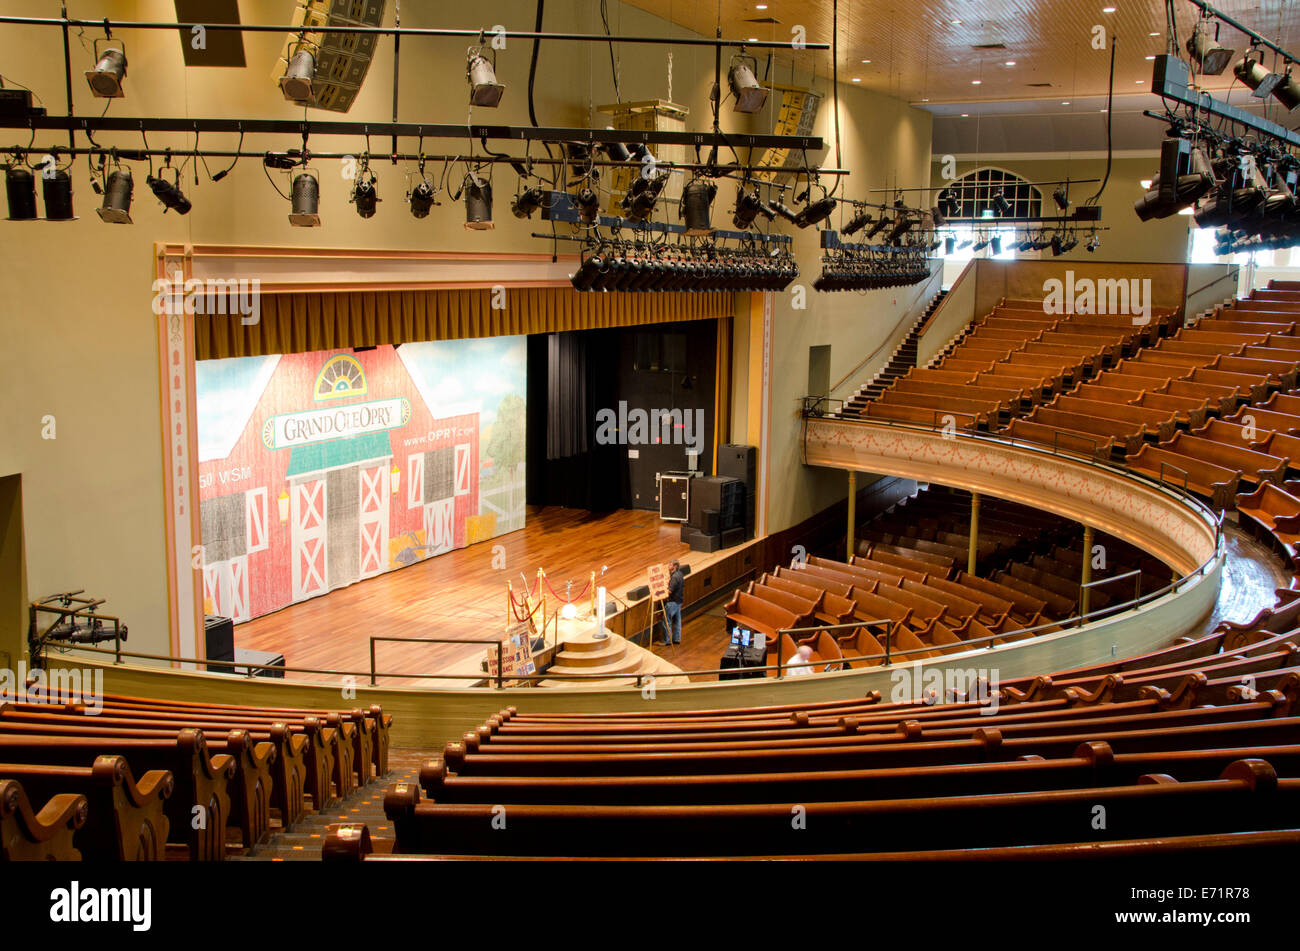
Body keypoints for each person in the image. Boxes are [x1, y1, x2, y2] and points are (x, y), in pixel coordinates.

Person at [661, 559, 684, 646]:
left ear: (675, 566)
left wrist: (661, 591)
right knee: (677, 621)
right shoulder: (680, 574)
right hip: (679, 600)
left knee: (666, 620)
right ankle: (677, 639)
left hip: (673, 602)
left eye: (670, 565)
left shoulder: (674, 577)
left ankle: (667, 640)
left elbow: (670, 591)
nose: (668, 566)